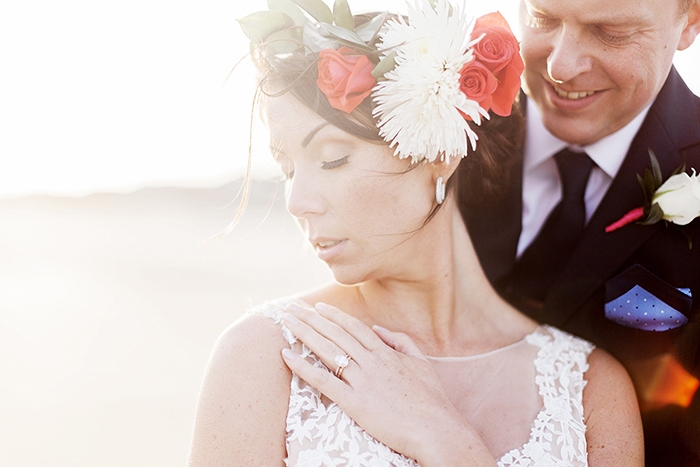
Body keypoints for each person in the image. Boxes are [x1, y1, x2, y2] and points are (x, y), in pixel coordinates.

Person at [187, 1, 643, 465]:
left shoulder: (588, 389)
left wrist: (444, 439)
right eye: (287, 169)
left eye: (331, 159)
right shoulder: (266, 358)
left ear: (439, 151)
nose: (297, 200)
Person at [458, 0, 700, 465]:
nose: (559, 67)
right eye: (543, 18)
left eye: (610, 32)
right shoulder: (440, 123)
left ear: (688, 22)